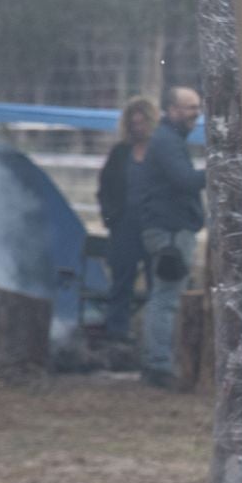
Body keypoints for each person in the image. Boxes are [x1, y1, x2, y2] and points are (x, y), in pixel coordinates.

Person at [134, 87, 205, 389]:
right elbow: (184, 181)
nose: (196, 113)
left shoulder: (169, 140)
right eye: (190, 108)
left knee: (164, 297)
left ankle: (159, 360)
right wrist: (221, 166)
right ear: (172, 110)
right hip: (170, 234)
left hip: (170, 231)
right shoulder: (166, 142)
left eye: (198, 107)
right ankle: (158, 364)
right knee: (166, 298)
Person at [97, 96, 158, 346]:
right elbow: (104, 188)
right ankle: (117, 334)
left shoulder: (159, 152)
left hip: (154, 226)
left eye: (142, 123)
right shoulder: (120, 153)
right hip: (124, 227)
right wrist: (112, 219)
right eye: (134, 123)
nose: (138, 128)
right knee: (121, 281)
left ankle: (153, 339)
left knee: (157, 283)